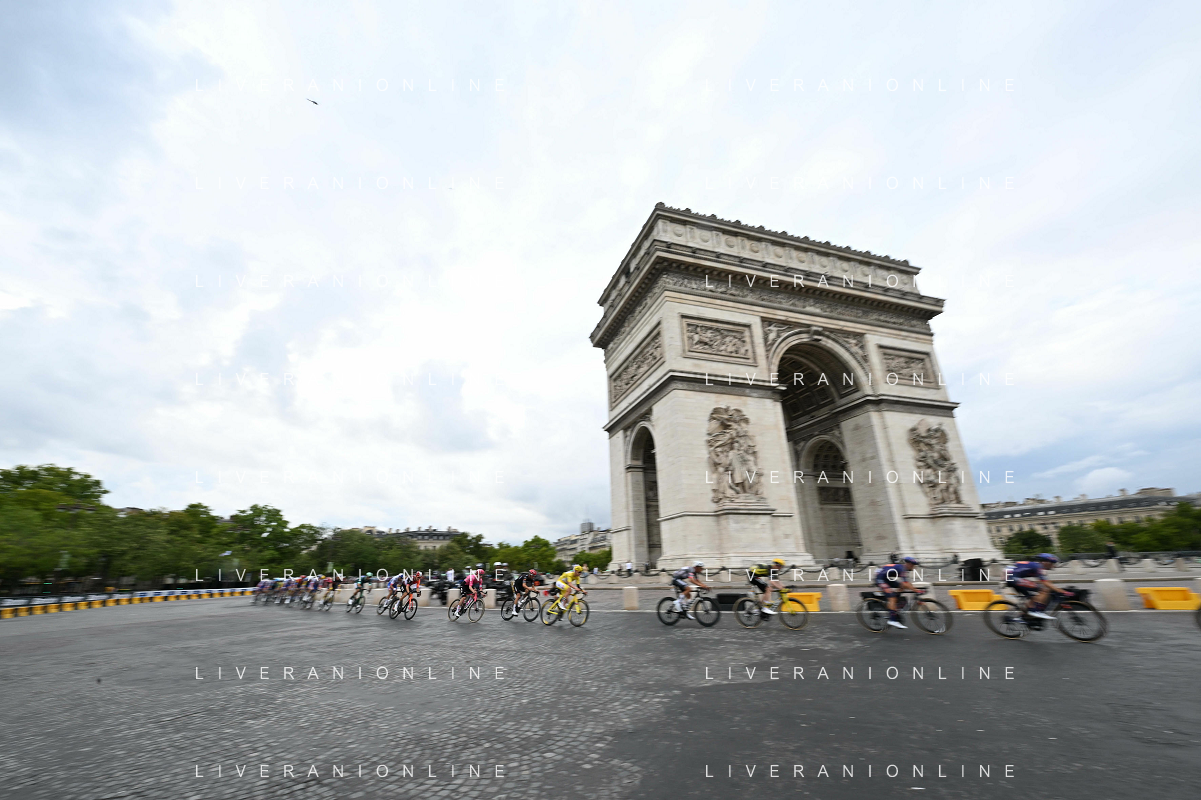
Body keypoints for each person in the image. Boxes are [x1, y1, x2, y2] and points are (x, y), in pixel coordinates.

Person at [1008, 554, 1070, 620]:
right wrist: (1062, 591)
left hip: (1010, 576)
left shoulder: (1036, 566)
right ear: (1046, 562)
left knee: (1032, 596)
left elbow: (1045, 582)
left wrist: (1055, 588)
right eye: (1052, 563)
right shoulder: (1038, 567)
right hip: (1012, 578)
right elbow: (1046, 583)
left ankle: (1022, 616)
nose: (1053, 566)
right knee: (1044, 590)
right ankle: (1037, 611)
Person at [874, 557, 920, 629]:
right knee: (892, 597)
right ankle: (892, 620)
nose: (914, 567)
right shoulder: (902, 569)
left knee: (901, 586)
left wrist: (914, 588)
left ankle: (893, 605)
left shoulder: (903, 568)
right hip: (880, 578)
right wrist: (916, 590)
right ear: (909, 564)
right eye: (913, 565)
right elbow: (906, 583)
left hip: (885, 577)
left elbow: (906, 583)